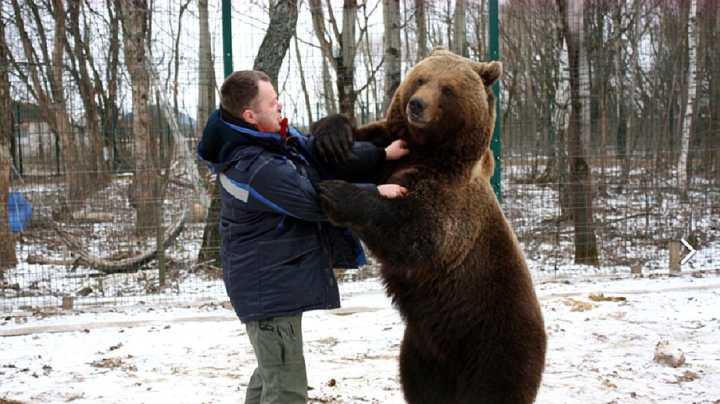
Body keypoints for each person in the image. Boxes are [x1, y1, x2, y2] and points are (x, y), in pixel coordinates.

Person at [197, 70, 408, 404]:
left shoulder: (266, 139)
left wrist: (381, 154)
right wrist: (375, 192)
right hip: (268, 288)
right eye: (271, 102)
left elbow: (314, 151)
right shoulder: (256, 165)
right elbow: (314, 201)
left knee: (272, 373)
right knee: (286, 387)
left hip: (272, 284)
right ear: (251, 115)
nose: (279, 104)